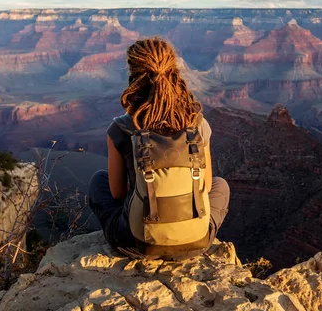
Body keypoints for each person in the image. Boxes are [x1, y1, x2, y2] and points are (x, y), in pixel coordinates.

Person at [88, 37, 230, 259]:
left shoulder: (121, 128)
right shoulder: (198, 124)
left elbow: (117, 193)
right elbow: (206, 184)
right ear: (174, 71)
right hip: (196, 242)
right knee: (221, 185)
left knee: (99, 180)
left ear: (134, 75)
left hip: (135, 244)